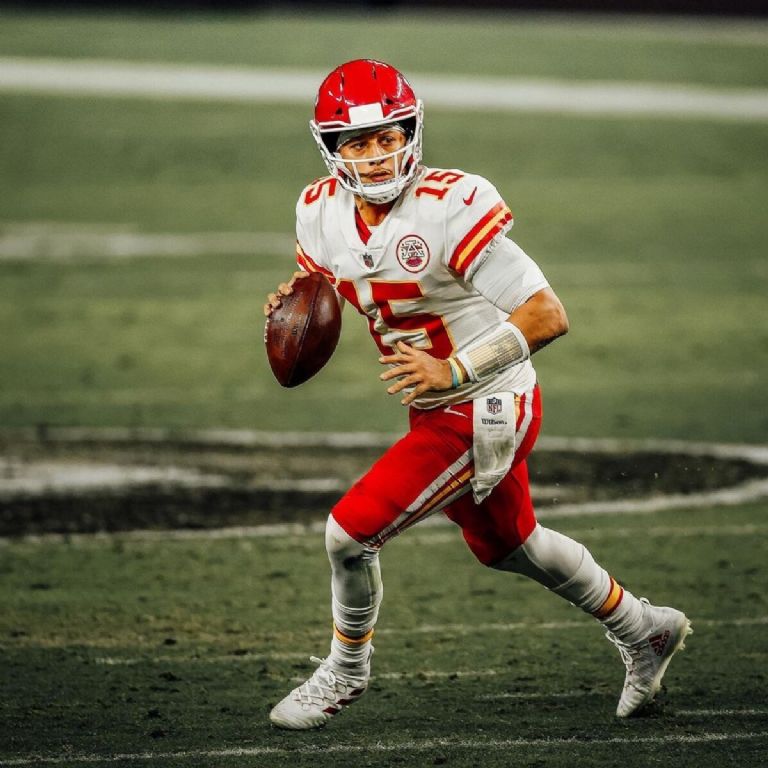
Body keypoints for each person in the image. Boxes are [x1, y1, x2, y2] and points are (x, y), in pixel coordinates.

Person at [263, 59, 691, 730]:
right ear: (331, 149)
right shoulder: (318, 211)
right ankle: (645, 629)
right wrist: (292, 312)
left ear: (411, 134)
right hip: (436, 404)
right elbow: (324, 292)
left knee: (348, 533)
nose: (377, 155)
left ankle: (346, 668)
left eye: (388, 137)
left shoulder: (449, 205)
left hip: (488, 402)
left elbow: (547, 314)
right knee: (508, 544)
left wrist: (454, 371)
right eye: (358, 142)